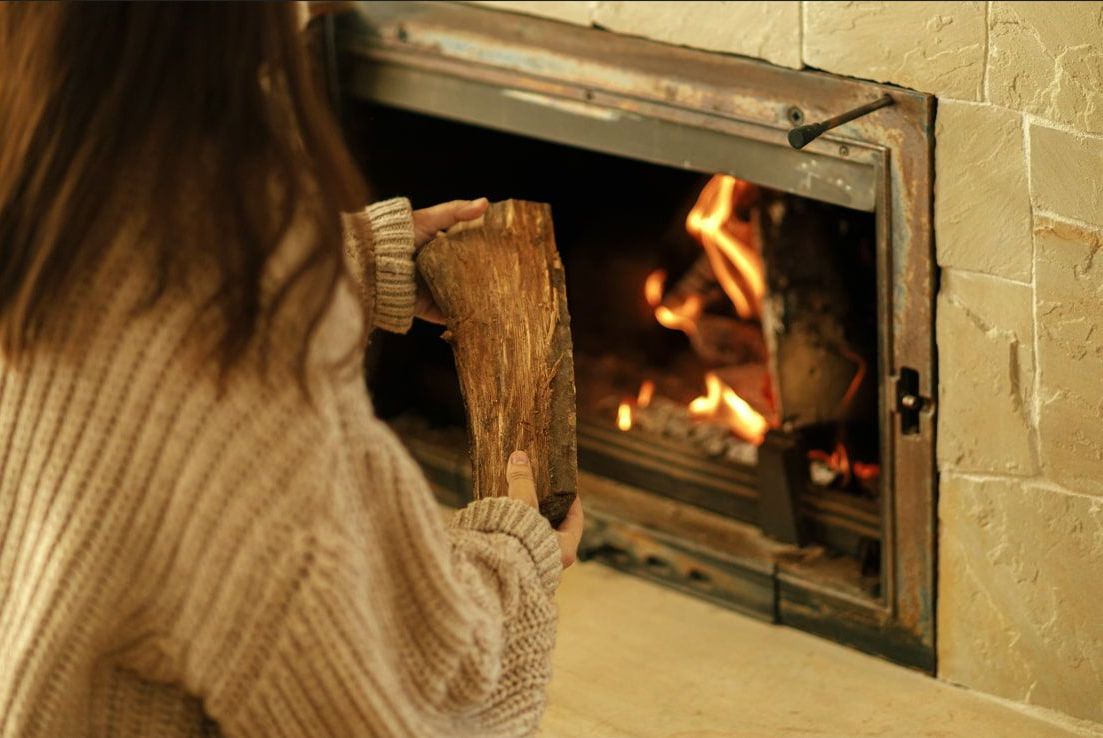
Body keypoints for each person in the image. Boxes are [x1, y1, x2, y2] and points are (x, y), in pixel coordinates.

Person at [0, 3, 583, 737]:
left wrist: (342, 259)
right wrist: (516, 561)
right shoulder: (242, 386)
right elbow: (376, 701)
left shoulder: (34, 188)